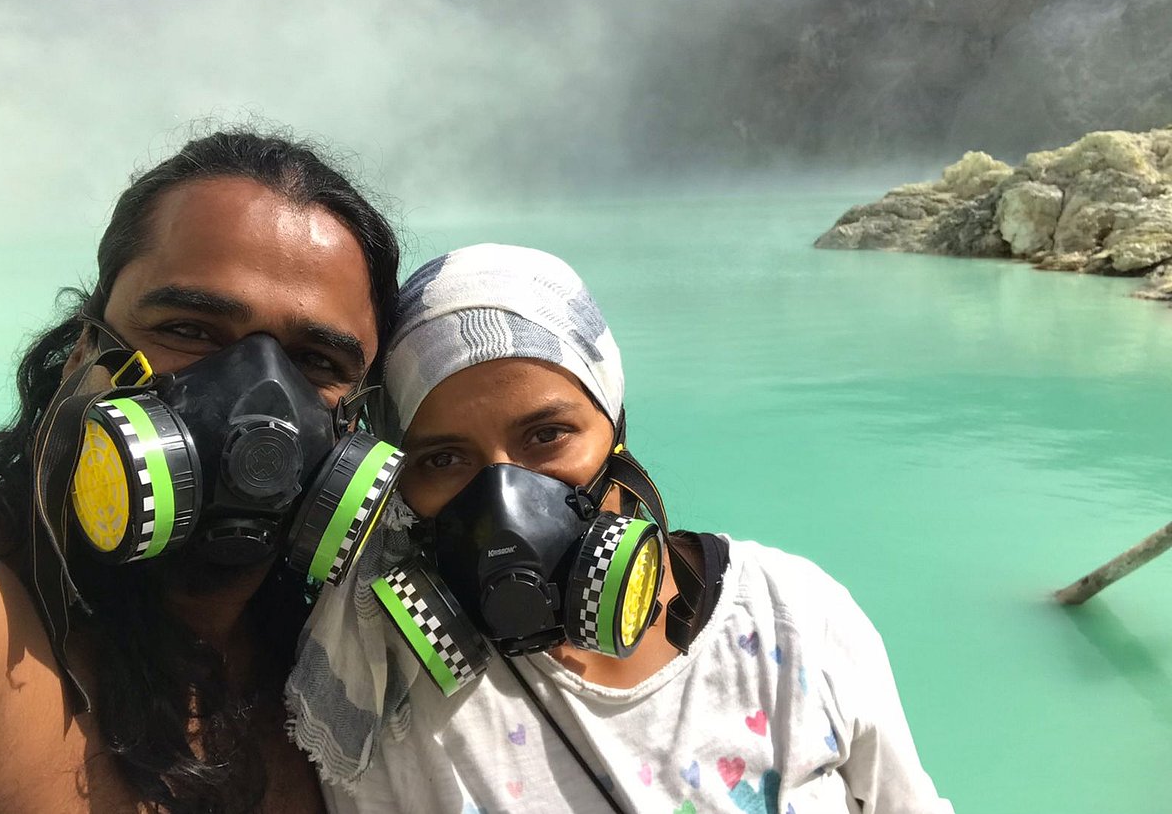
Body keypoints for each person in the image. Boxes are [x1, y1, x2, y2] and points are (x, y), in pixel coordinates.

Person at [287, 244, 954, 814]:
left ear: (616, 426)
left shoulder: (797, 618)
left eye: (546, 435)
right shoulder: (379, 683)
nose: (503, 496)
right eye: (444, 459)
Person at [0, 130, 401, 814]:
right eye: (191, 329)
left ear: (360, 427)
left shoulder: (354, 668)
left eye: (317, 362)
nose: (261, 403)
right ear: (87, 350)